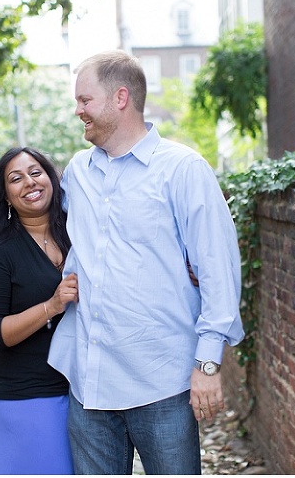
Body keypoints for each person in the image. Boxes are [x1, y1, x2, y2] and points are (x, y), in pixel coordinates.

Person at [48, 50, 245, 475]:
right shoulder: (77, 174)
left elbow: (217, 267)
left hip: (162, 383)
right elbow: (46, 230)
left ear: (121, 98)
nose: (77, 110)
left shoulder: (183, 169)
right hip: (89, 385)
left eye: (85, 100)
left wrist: (208, 364)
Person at [0, 147, 78, 474]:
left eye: (36, 172)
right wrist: (52, 305)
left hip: (84, 390)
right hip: (29, 396)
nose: (29, 182)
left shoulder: (78, 234)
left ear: (51, 178)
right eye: (15, 179)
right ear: (5, 196)